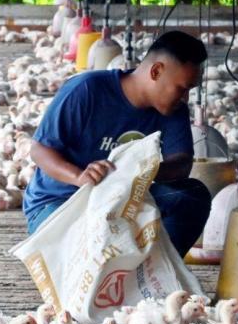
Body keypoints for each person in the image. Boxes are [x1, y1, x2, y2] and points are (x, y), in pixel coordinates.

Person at [23, 30, 212, 257]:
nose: (185, 98)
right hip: (62, 203)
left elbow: (181, 164)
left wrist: (138, 173)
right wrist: (80, 176)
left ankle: (155, 272)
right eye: (182, 88)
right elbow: (39, 150)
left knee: (192, 196)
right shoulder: (86, 89)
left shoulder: (173, 109)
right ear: (156, 71)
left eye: (189, 90)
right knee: (88, 248)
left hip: (121, 201)